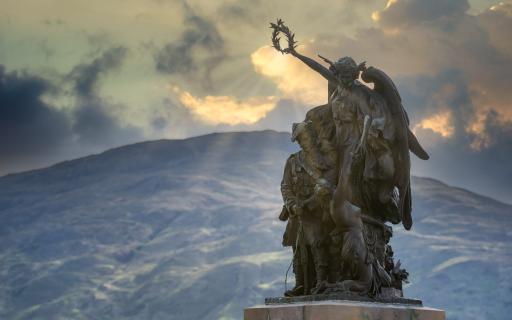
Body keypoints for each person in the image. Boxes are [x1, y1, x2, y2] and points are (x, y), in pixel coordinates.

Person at [280, 121, 331, 296]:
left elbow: (330, 186)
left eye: (304, 138)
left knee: (318, 245)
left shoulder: (324, 162)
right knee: (298, 248)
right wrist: (293, 205)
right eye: (300, 139)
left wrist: (312, 201)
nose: (302, 142)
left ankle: (322, 282)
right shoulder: (293, 162)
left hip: (318, 213)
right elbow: (286, 186)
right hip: (297, 214)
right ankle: (300, 284)